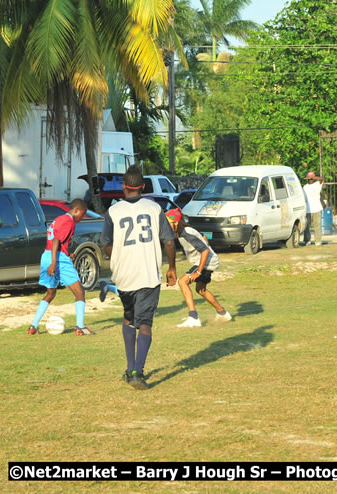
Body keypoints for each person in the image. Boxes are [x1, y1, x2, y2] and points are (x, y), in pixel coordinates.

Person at [101, 166, 177, 390]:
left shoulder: (113, 211)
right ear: (143, 187)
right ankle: (138, 372)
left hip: (124, 276)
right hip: (147, 275)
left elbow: (106, 244)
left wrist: (120, 256)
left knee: (128, 318)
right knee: (144, 323)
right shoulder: (154, 208)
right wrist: (172, 267)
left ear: (124, 187)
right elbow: (169, 241)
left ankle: (129, 367)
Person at [28, 199, 92, 336]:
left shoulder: (59, 219)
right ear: (76, 210)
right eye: (83, 213)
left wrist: (67, 255)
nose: (83, 217)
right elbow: (56, 240)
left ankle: (33, 325)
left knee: (51, 293)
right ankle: (80, 326)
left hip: (47, 255)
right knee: (79, 292)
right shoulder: (69, 221)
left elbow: (57, 240)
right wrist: (54, 263)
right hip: (56, 258)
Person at [164, 208, 232, 327]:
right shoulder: (183, 232)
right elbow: (202, 237)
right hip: (206, 261)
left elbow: (205, 251)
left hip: (206, 262)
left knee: (182, 282)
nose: (173, 225)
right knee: (201, 290)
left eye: (175, 222)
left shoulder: (186, 233)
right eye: (170, 222)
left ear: (180, 222)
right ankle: (223, 313)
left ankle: (193, 318)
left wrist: (198, 272)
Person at [302, 171, 324, 246]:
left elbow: (321, 179)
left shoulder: (317, 184)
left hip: (317, 208)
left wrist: (313, 177)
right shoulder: (305, 187)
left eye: (312, 178)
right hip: (308, 209)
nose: (311, 180)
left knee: (317, 225)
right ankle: (307, 240)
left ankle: (318, 241)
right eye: (309, 178)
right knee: (307, 225)